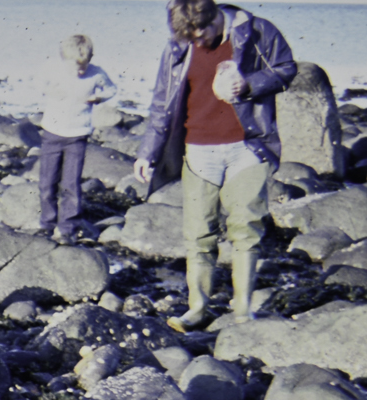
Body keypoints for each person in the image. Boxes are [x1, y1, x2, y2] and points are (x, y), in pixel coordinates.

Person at [132, 0, 297, 329]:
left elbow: (286, 69)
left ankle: (243, 310)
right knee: (197, 234)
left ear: (214, 17)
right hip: (198, 151)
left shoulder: (258, 31)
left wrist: (249, 84)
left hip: (248, 148)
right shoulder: (179, 46)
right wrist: (147, 152)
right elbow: (162, 103)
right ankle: (198, 308)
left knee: (246, 229)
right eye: (188, 36)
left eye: (201, 32)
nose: (197, 41)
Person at [35, 35, 117, 243]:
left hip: (77, 135)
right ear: (64, 60)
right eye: (76, 67)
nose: (81, 71)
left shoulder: (96, 73)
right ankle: (47, 223)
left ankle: (68, 227)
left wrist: (98, 98)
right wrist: (49, 89)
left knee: (71, 183)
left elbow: (111, 89)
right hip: (52, 132)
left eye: (84, 66)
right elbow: (38, 81)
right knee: (47, 182)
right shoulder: (54, 69)